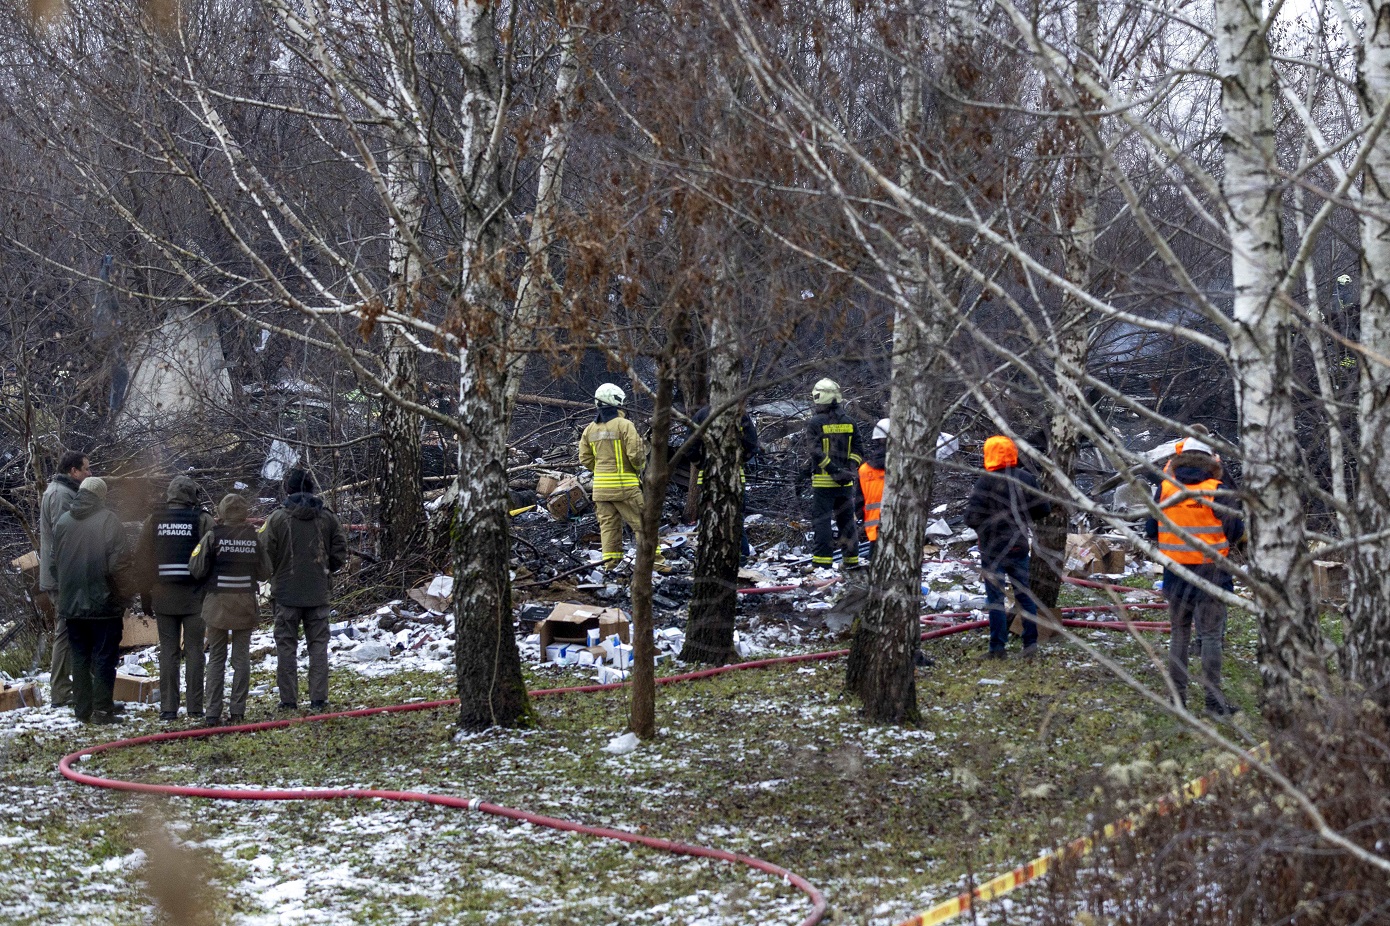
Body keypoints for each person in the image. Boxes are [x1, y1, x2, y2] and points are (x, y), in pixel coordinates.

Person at [1144, 436, 1244, 717]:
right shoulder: (1217, 490)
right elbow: (1235, 532)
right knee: (1210, 636)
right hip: (1212, 574)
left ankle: (1178, 701)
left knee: (1179, 634)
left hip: (1175, 574)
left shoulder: (1165, 488)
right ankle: (1213, 703)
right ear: (1211, 460)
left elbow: (1151, 529)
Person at [260, 469, 348, 711]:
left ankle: (288, 701)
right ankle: (319, 699)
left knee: (286, 647)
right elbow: (340, 549)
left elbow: (265, 554)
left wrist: (275, 574)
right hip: (318, 594)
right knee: (318, 646)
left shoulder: (277, 518)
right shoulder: (327, 518)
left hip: (286, 594)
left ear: (287, 490)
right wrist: (326, 569)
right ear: (311, 489)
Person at [52, 477, 133, 724]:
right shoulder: (109, 520)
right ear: (101, 496)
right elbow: (119, 565)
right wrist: (124, 595)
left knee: (80, 656)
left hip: (72, 605)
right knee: (104, 657)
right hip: (104, 604)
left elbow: (54, 565)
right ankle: (102, 711)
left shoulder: (63, 522)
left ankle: (82, 709)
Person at [135, 475, 216, 722]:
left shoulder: (153, 521)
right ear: (192, 496)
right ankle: (194, 708)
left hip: (163, 597)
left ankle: (168, 708)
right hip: (195, 598)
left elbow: (143, 560)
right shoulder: (203, 520)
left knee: (168, 652)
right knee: (194, 652)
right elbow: (213, 556)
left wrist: (145, 595)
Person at [965, 434, 1051, 659]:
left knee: (995, 600)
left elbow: (970, 517)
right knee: (1024, 596)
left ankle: (997, 649)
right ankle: (1030, 645)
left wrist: (985, 528)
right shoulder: (1026, 478)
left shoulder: (985, 481)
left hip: (992, 549)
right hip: (1019, 546)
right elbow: (1044, 509)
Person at [190, 493, 266, 727]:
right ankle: (238, 712)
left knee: (216, 658)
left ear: (221, 512)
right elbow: (265, 572)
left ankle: (212, 712)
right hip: (244, 604)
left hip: (217, 605)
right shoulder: (254, 538)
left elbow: (196, 568)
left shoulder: (212, 536)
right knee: (241, 659)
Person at [578, 384, 664, 571]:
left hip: (600, 490)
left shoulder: (590, 429)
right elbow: (636, 455)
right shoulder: (625, 425)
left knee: (608, 528)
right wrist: (639, 468)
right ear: (617, 402)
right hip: (625, 487)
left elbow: (584, 458)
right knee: (643, 525)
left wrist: (601, 470)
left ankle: (610, 564)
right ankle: (656, 563)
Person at [39, 450, 90, 707]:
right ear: (73, 471)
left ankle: (66, 689)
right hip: (63, 578)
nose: (89, 473)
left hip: (62, 575)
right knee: (65, 632)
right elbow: (64, 539)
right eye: (86, 469)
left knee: (69, 631)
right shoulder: (61, 495)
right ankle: (61, 692)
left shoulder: (59, 491)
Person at [800, 379, 862, 571]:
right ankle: (851, 561)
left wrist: (833, 470)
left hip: (824, 482)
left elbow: (816, 453)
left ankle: (821, 562)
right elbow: (858, 450)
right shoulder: (850, 422)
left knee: (822, 522)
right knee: (846, 522)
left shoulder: (816, 423)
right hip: (845, 483)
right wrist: (849, 470)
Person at [686, 402, 760, 562]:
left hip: (708, 479)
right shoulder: (740, 414)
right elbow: (753, 445)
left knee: (709, 521)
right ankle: (741, 559)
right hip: (735, 478)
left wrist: (702, 464)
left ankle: (711, 560)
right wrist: (739, 461)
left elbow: (689, 447)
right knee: (736, 519)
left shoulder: (701, 415)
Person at [857, 418, 889, 563]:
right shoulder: (903, 468)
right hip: (900, 530)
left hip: (874, 531)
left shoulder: (864, 470)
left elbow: (858, 502)